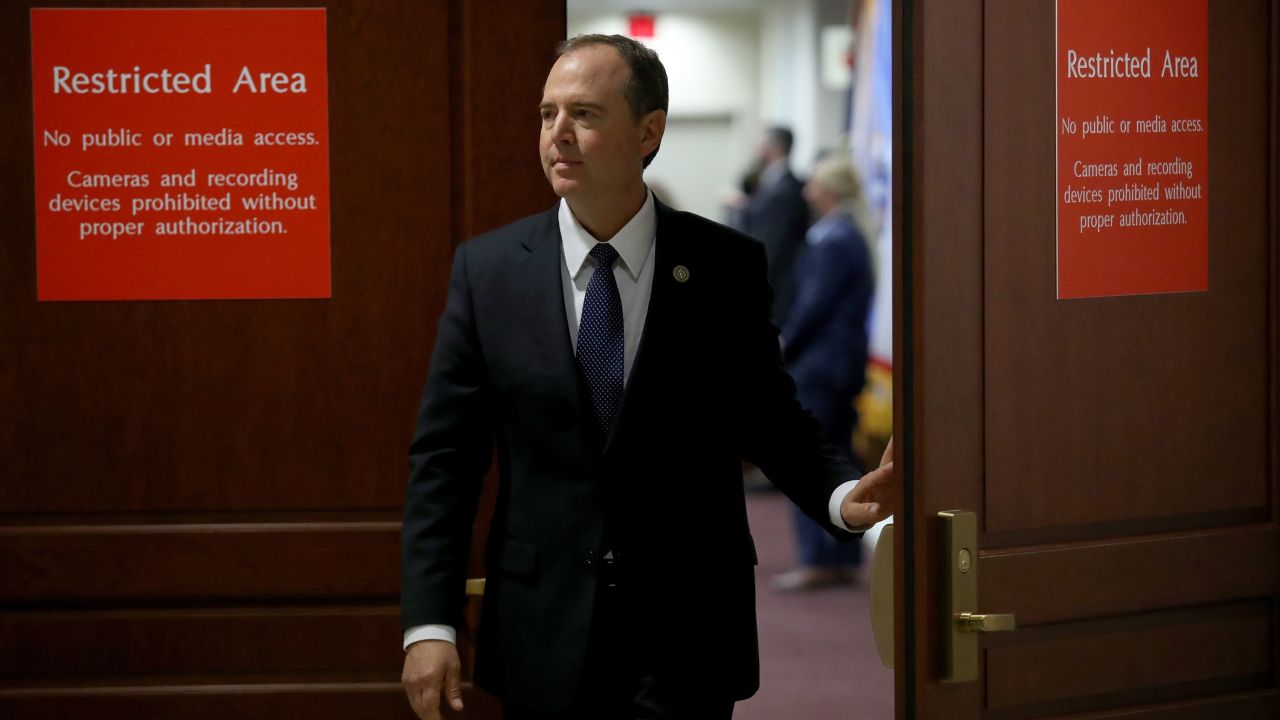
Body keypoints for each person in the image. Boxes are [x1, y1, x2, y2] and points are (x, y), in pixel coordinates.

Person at [400, 34, 896, 720]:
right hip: (543, 628)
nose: (557, 135)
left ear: (648, 130)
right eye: (547, 115)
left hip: (688, 628)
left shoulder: (725, 265)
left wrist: (843, 495)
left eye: (585, 114)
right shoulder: (489, 274)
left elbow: (772, 419)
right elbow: (444, 463)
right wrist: (430, 623)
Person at [771, 156, 877, 592]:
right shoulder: (849, 236)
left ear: (828, 191)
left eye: (814, 185)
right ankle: (842, 555)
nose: (807, 191)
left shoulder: (833, 241)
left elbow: (812, 306)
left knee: (808, 461)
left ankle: (818, 559)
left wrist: (779, 347)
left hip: (820, 367)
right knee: (838, 461)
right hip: (840, 367)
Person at [727, 126, 810, 324]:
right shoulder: (768, 181)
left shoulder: (786, 187)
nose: (756, 149)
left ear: (774, 147)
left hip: (776, 289)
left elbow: (772, 242)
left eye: (760, 144)